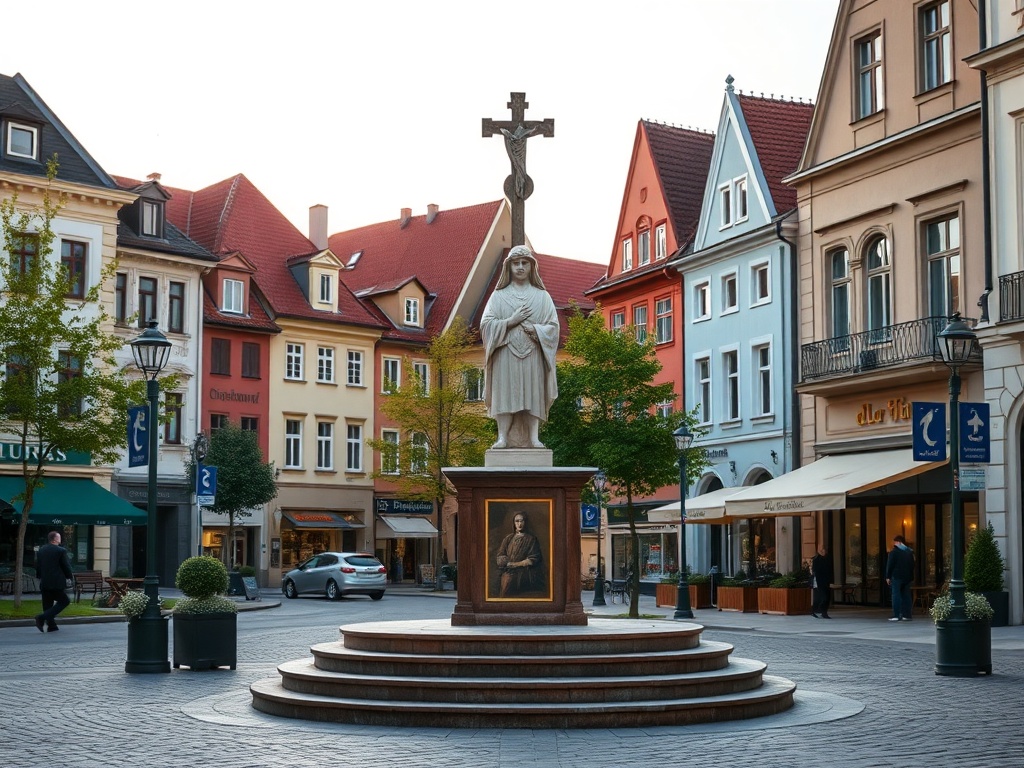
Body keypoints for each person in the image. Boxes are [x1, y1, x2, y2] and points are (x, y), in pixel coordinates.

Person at [480, 245, 560, 449]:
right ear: (509, 267)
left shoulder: (542, 297)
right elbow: (486, 326)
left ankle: (534, 438)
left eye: (525, 263)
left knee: (533, 396)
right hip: (505, 354)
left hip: (532, 352)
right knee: (506, 395)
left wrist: (536, 330)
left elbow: (553, 326)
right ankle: (502, 438)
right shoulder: (498, 296)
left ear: (532, 267)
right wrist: (510, 321)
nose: (520, 267)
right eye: (516, 263)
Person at [495, 511, 543, 597]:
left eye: (522, 521)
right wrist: (503, 561)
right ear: (514, 523)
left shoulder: (531, 539)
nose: (519, 524)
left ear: (525, 522)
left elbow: (533, 559)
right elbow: (500, 555)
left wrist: (515, 564)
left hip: (524, 575)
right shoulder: (508, 538)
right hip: (508, 574)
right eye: (517, 521)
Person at [34, 530, 73, 633]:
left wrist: (39, 576)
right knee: (65, 601)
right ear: (55, 539)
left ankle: (52, 626)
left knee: (47, 604)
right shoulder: (61, 551)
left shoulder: (41, 550)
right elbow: (65, 566)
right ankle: (41, 618)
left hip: (45, 581)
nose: (60, 539)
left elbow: (38, 566)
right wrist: (70, 577)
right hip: (56, 582)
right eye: (59, 537)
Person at [885, 534, 915, 621]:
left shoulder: (894, 552)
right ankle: (907, 615)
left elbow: (890, 565)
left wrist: (888, 576)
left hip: (896, 576)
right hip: (907, 577)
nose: (894, 544)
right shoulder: (909, 552)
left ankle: (897, 615)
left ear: (898, 542)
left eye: (895, 542)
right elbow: (913, 565)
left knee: (896, 595)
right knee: (906, 595)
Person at [810, 545, 832, 619]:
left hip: (825, 581)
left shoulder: (827, 558)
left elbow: (829, 570)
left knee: (826, 597)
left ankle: (823, 612)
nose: (823, 551)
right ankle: (817, 611)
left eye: (824, 550)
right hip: (819, 582)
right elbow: (814, 571)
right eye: (821, 550)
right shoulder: (816, 559)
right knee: (822, 598)